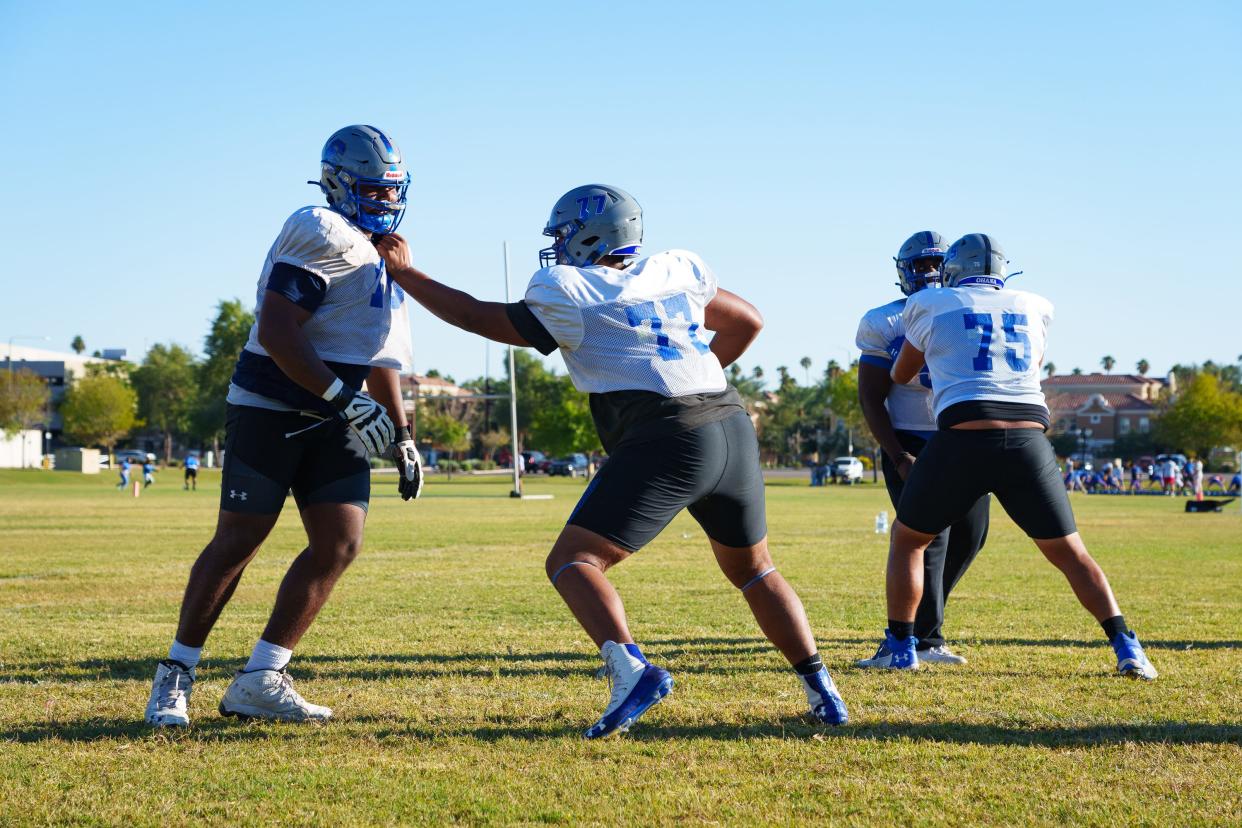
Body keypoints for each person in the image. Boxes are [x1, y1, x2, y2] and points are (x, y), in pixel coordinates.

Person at [376, 183, 849, 736]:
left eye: (562, 234)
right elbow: (748, 321)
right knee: (755, 569)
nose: (555, 245)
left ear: (587, 235)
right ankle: (824, 692)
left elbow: (484, 318)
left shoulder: (567, 287)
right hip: (731, 422)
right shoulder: (675, 269)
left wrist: (408, 275)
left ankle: (632, 671)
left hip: (670, 436)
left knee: (573, 561)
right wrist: (692, 376)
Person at [144, 125, 425, 728]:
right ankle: (176, 674)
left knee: (339, 545)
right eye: (371, 191)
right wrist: (341, 399)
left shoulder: (387, 252)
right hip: (272, 406)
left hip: (338, 416)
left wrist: (401, 432)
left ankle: (261, 678)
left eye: (390, 191)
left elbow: (380, 356)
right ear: (337, 184)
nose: (383, 202)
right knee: (238, 542)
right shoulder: (318, 228)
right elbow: (277, 331)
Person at [869, 233, 1156, 680]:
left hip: (962, 437)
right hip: (1027, 440)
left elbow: (902, 373)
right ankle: (1127, 645)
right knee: (1071, 552)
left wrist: (943, 370)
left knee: (909, 540)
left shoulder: (930, 306)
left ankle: (902, 646)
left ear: (952, 270)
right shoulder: (1035, 305)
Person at [855, 231, 987, 667]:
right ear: (903, 272)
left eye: (937, 264)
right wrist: (897, 454)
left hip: (964, 436)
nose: (929, 275)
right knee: (928, 538)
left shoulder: (968, 313)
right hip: (910, 437)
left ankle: (921, 619)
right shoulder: (885, 320)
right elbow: (872, 397)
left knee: (971, 535)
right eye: (920, 266)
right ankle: (922, 638)